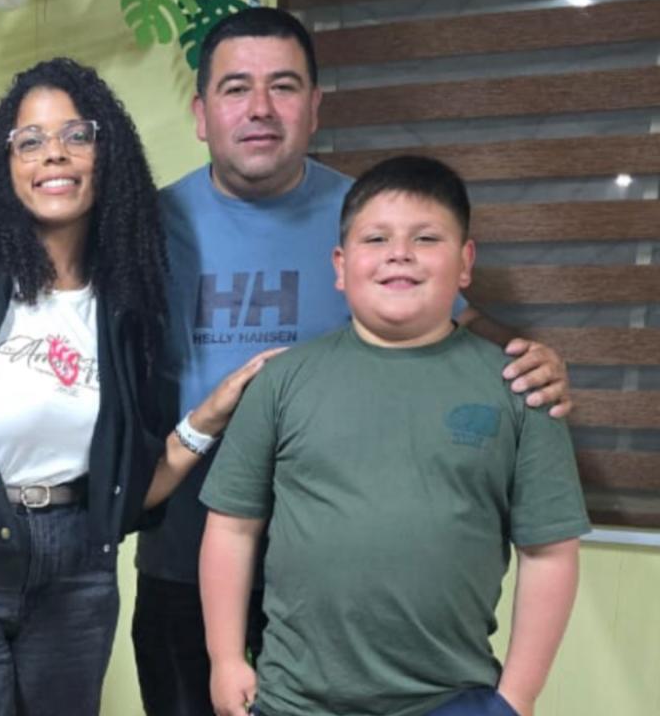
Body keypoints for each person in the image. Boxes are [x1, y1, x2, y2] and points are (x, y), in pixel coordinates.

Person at [133, 9, 573, 715]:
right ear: (201, 112)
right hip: (194, 535)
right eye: (236, 88)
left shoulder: (368, 215)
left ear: (314, 107)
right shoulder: (146, 228)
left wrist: (531, 358)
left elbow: (458, 324)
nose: (259, 108)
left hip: (338, 554)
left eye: (283, 86)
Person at [0, 58, 279, 716]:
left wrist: (207, 419)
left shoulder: (126, 306)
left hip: (78, 579)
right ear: (6, 164)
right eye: (31, 140)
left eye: (77, 135)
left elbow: (128, 491)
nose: (55, 154)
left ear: (108, 156)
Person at [199, 155, 588, 716]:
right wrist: (224, 658)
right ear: (340, 266)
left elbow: (549, 552)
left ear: (465, 263)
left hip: (452, 699)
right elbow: (232, 527)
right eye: (376, 238)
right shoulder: (281, 382)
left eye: (426, 238)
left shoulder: (522, 390)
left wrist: (518, 696)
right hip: (293, 700)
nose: (399, 253)